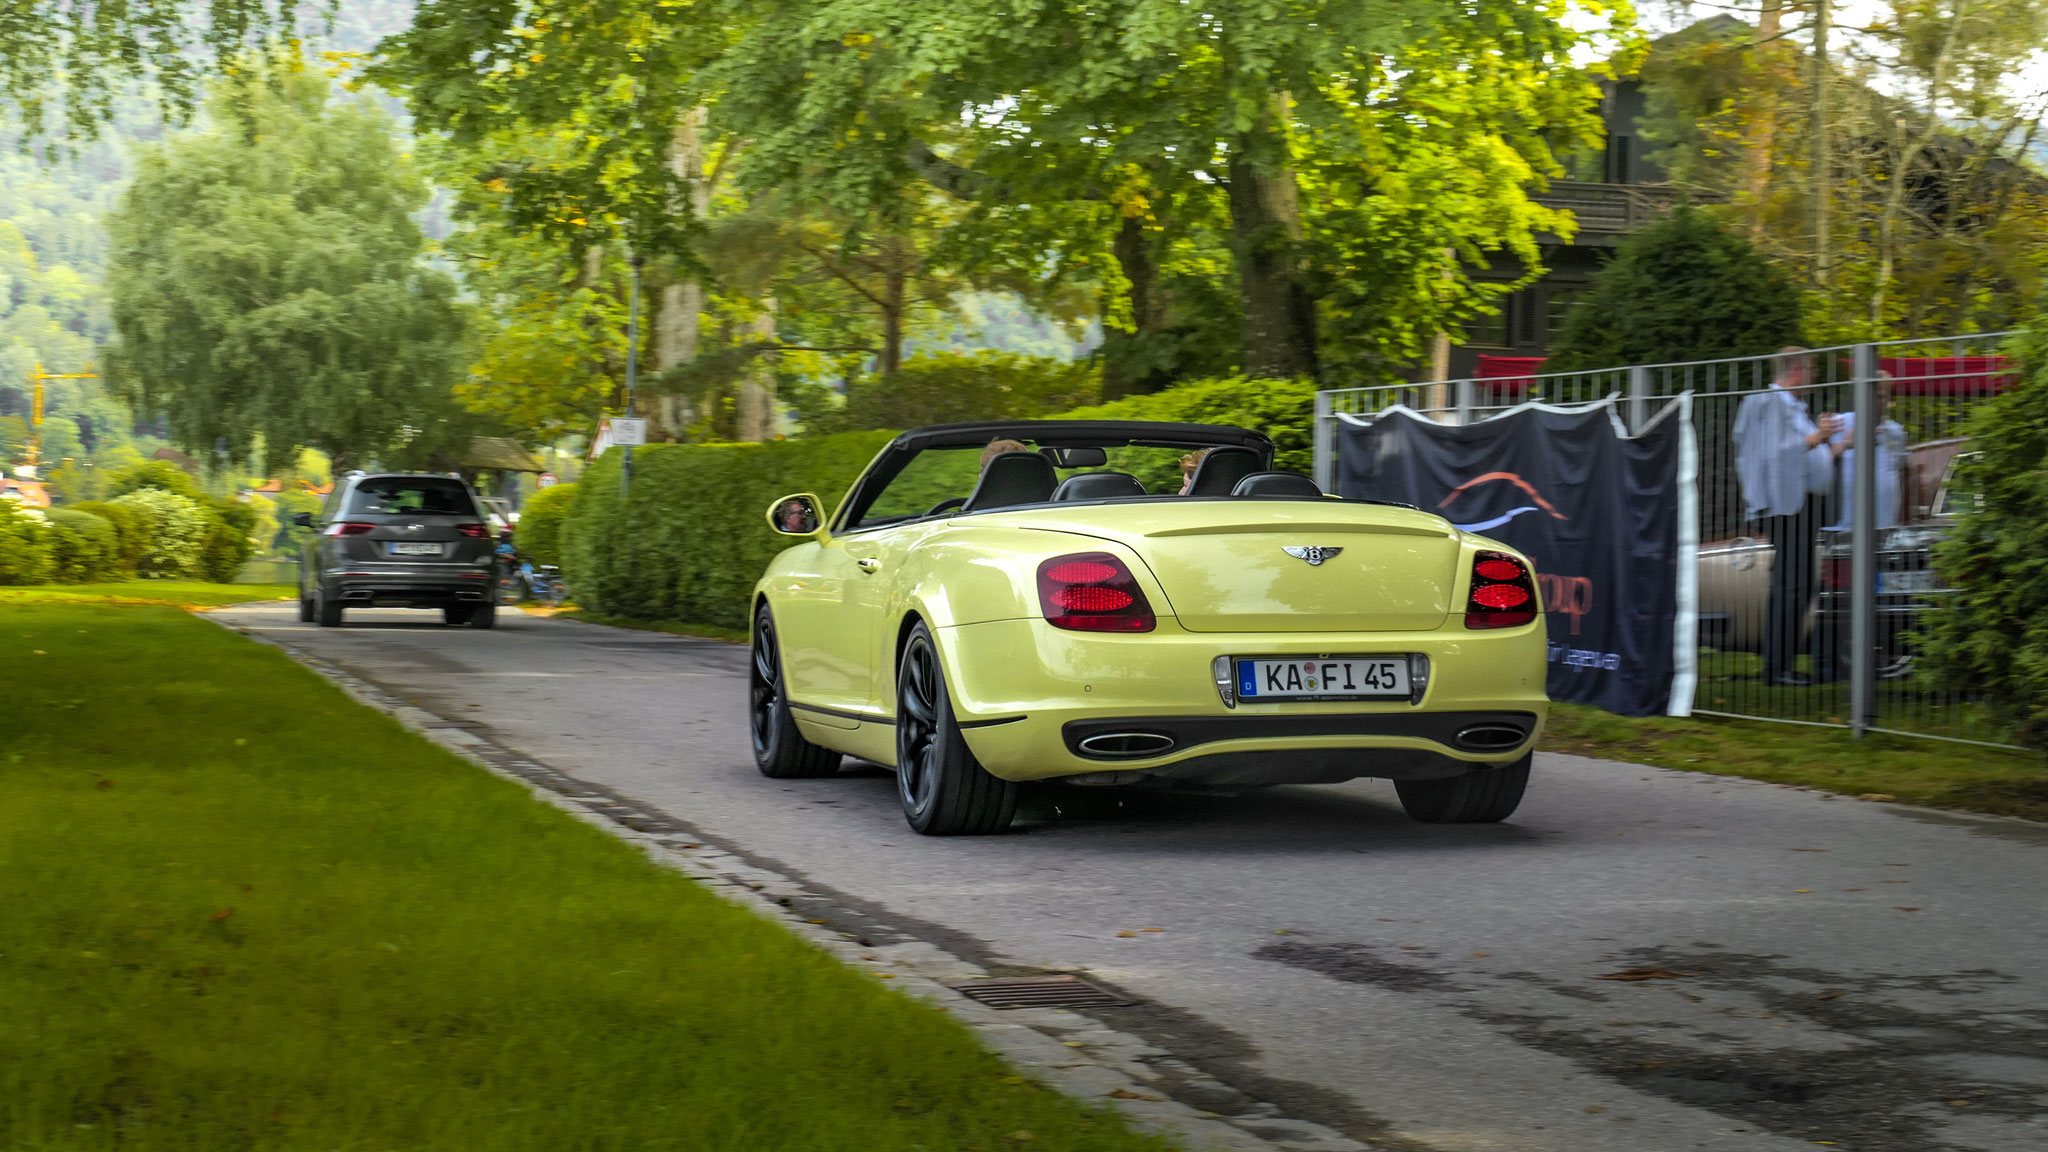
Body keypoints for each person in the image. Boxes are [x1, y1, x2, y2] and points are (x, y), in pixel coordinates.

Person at [1733, 347, 1839, 687]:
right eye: (1811, 369)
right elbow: (1772, 453)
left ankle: (1781, 664)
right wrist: (1818, 437)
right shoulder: (1765, 403)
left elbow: (1799, 451)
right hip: (1786, 506)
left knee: (1800, 584)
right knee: (1792, 585)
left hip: (1803, 505)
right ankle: (1777, 669)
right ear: (1795, 370)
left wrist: (1832, 443)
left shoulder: (1792, 409)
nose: (1814, 376)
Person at [1825, 372, 1906, 532]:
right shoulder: (1840, 423)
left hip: (1885, 522)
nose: (1875, 402)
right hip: (1848, 523)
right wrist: (1846, 444)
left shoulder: (1896, 432)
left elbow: (1900, 473)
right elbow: (1821, 460)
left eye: (1881, 396)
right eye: (1870, 396)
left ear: (1889, 399)